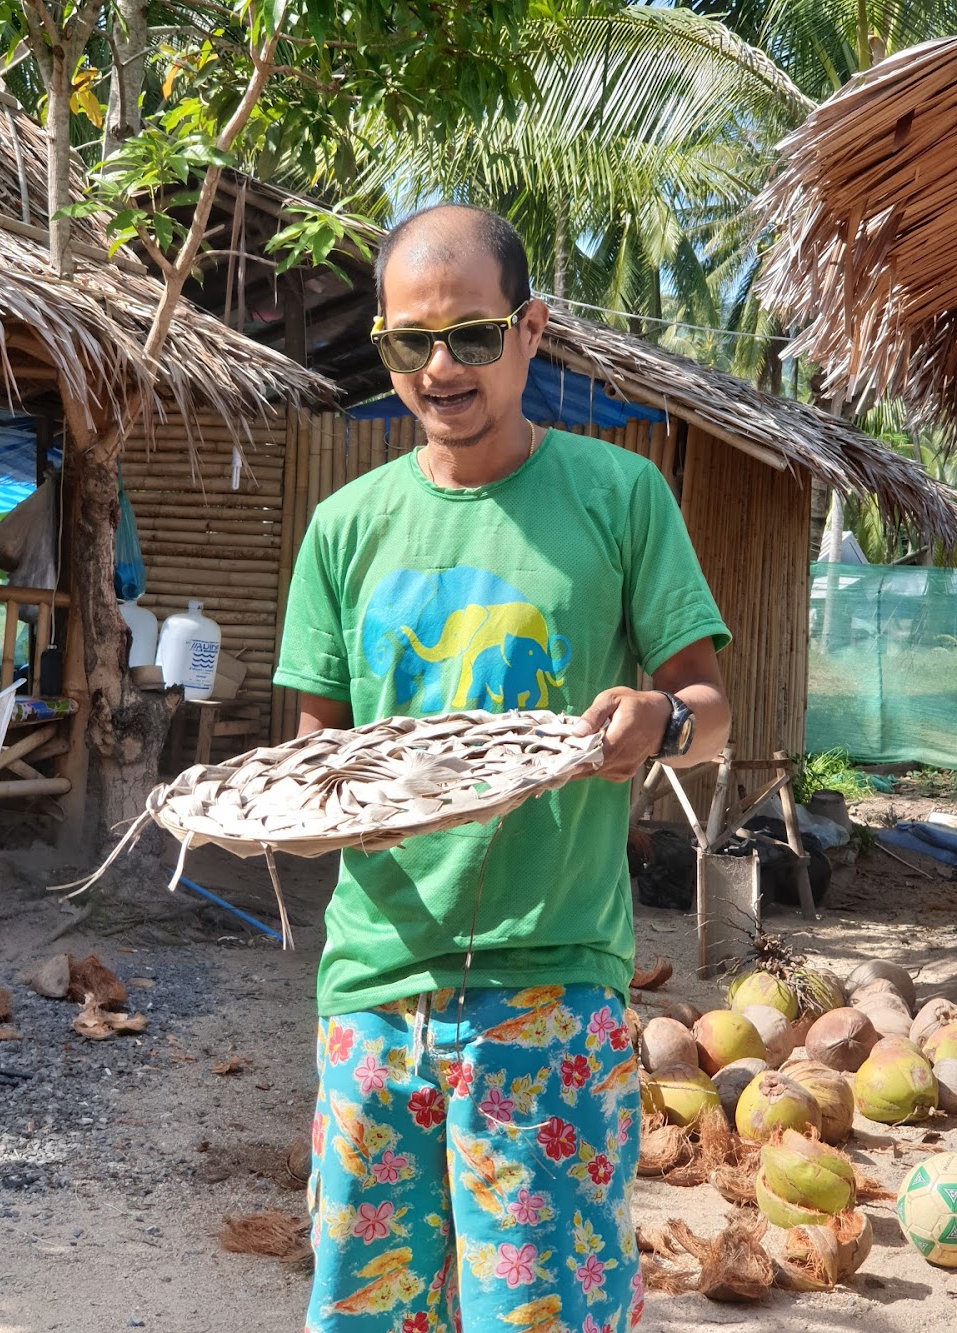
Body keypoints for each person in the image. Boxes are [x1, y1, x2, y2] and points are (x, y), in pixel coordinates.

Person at [275, 203, 731, 1333]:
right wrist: (308, 811)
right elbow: (315, 754)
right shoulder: (343, 527)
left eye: (472, 335)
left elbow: (714, 710)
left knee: (541, 1316)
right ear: (381, 346)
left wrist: (658, 721)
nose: (441, 368)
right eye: (408, 342)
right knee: (367, 1315)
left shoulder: (620, 498)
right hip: (375, 995)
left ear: (530, 331)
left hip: (551, 985)